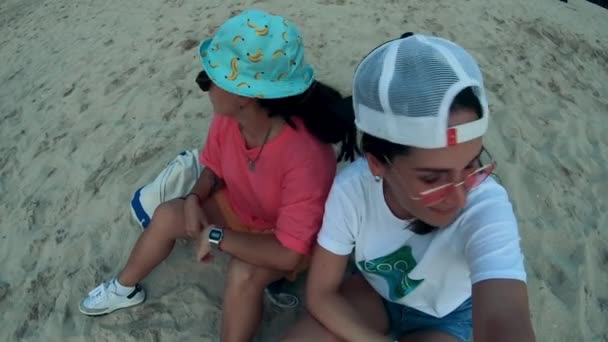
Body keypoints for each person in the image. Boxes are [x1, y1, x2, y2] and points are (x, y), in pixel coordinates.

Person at [78, 9, 357, 342]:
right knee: (168, 214)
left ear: (244, 94)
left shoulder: (305, 155)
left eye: (207, 79)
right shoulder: (230, 118)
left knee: (243, 273)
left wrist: (215, 237)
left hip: (289, 239)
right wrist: (195, 197)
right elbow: (213, 166)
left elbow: (289, 251)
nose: (205, 85)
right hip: (242, 210)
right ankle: (124, 288)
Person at [282, 33, 535, 342]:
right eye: (432, 179)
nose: (459, 197)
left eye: (471, 165)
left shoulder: (485, 203)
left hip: (448, 316)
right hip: (375, 294)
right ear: (378, 164)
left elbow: (502, 318)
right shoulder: (353, 190)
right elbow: (321, 294)